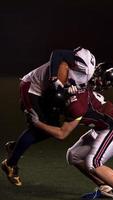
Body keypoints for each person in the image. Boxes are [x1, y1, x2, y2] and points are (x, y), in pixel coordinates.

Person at [26, 63, 113, 200]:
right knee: (74, 155)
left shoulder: (75, 105)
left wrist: (38, 123)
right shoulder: (73, 92)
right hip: (101, 127)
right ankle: (105, 189)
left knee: (94, 162)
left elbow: (62, 134)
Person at [1, 47, 97, 186]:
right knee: (38, 125)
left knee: (51, 127)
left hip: (44, 92)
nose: (80, 75)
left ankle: (15, 147)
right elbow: (57, 58)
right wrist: (60, 85)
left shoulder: (75, 68)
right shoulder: (62, 65)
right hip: (31, 88)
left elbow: (62, 90)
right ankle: (10, 164)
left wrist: (67, 89)